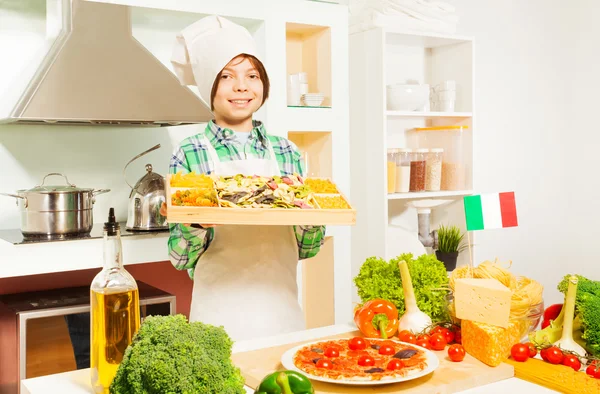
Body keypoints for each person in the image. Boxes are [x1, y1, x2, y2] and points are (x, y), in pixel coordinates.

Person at [162, 15, 326, 341]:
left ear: (263, 86)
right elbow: (180, 258)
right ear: (210, 87)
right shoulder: (190, 153)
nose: (242, 87)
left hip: (283, 314)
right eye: (227, 76)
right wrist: (196, 223)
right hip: (217, 318)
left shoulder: (287, 153)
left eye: (252, 76)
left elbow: (309, 249)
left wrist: (311, 216)